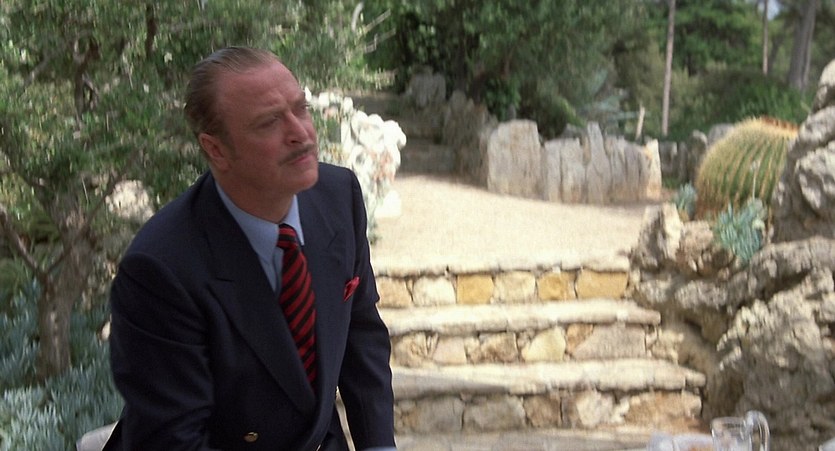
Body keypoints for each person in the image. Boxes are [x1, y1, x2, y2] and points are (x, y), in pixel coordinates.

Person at [105, 46, 396, 450]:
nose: (301, 133)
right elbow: (174, 440)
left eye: (301, 108)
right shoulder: (159, 269)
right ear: (216, 149)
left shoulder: (338, 198)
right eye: (269, 122)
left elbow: (361, 338)